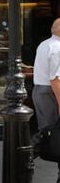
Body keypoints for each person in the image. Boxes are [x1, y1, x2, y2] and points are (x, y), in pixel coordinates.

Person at [32, 18, 60, 182]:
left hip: (42, 91)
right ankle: (25, 155)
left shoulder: (45, 44)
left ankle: (25, 155)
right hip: (49, 92)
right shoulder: (57, 47)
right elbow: (55, 79)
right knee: (52, 132)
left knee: (48, 130)